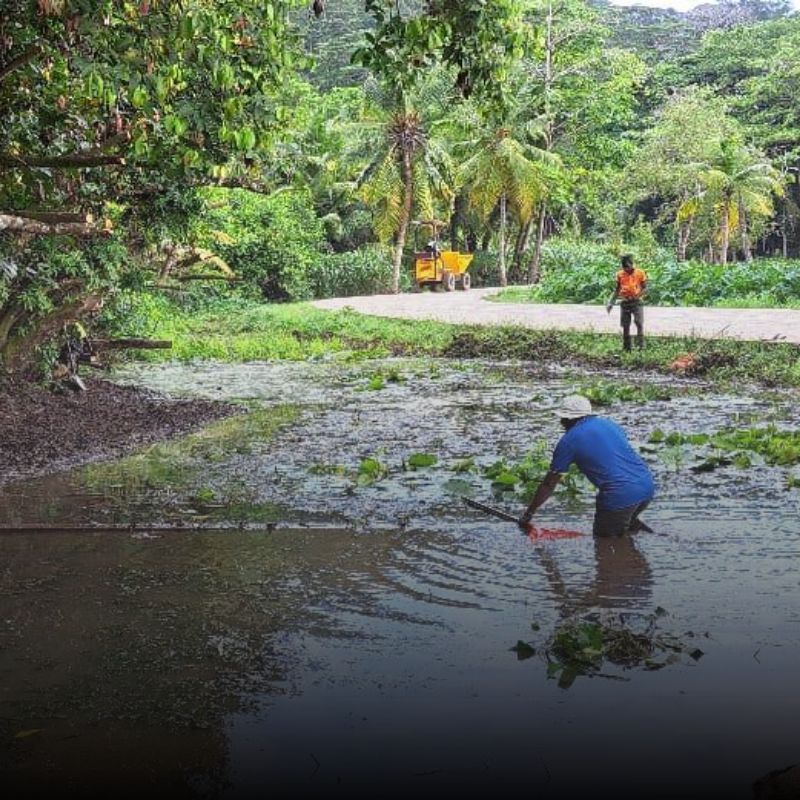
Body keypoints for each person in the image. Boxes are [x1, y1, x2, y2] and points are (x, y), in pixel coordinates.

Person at [519, 394, 655, 537]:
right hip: (646, 487)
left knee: (604, 542)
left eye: (562, 419)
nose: (561, 422)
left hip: (618, 495)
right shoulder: (610, 424)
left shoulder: (568, 441)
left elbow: (548, 484)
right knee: (624, 527)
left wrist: (529, 513)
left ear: (567, 419)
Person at [607, 254, 647, 351]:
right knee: (625, 325)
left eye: (628, 267)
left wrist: (638, 295)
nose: (627, 270)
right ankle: (626, 348)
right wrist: (611, 302)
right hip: (625, 301)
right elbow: (617, 289)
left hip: (636, 301)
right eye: (625, 268)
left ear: (632, 265)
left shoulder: (640, 273)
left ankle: (640, 346)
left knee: (638, 322)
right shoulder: (620, 274)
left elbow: (645, 288)